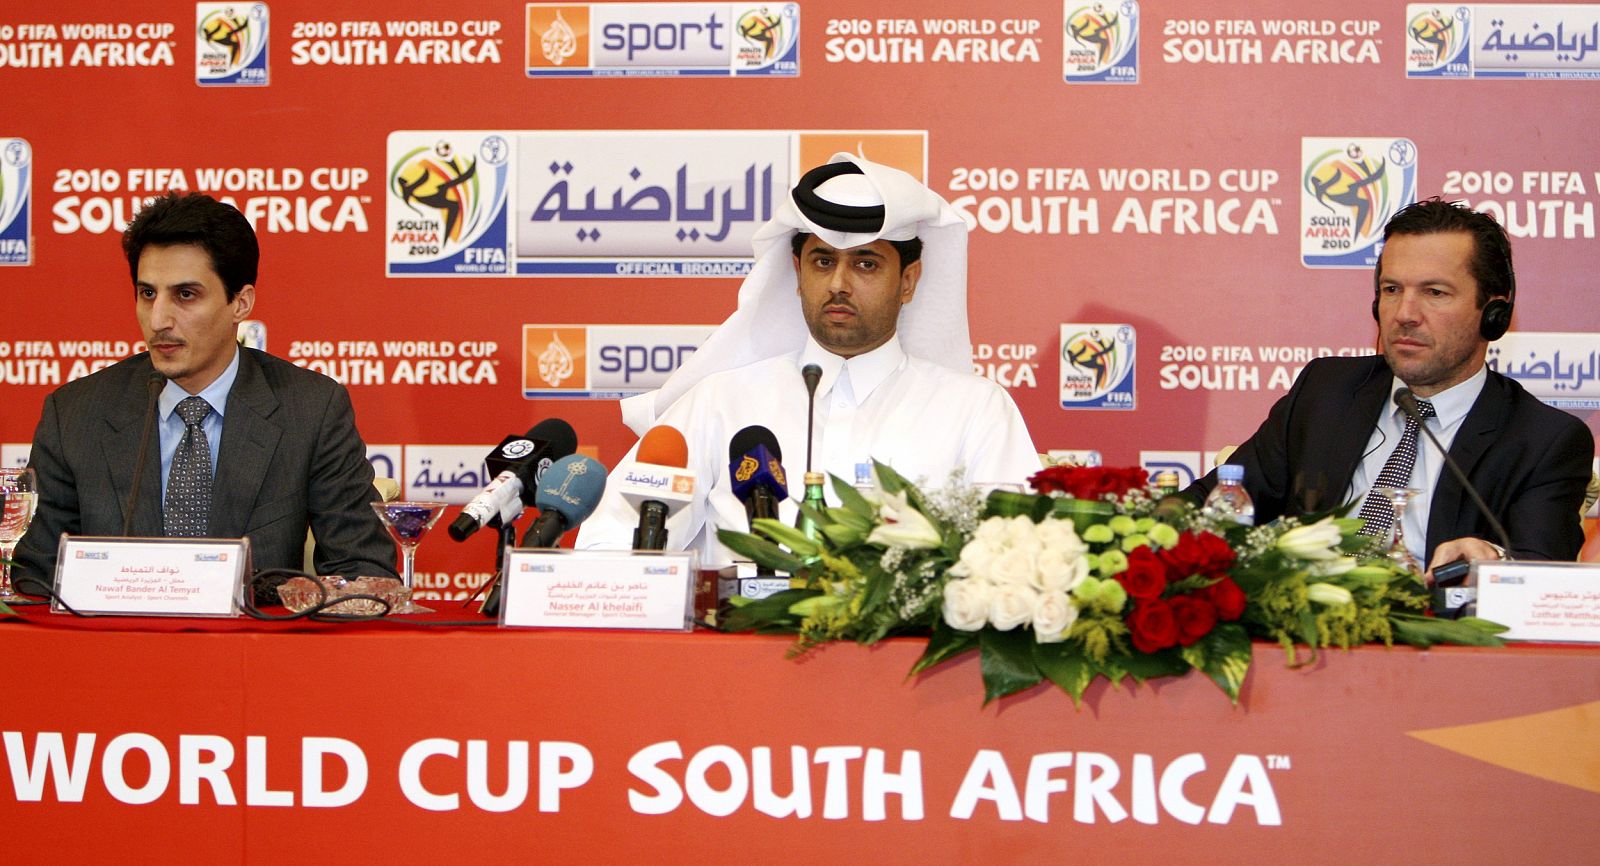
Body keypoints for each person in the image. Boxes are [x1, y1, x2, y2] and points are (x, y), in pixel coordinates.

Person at [577, 154, 1040, 565]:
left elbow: (1017, 563)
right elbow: (609, 548)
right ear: (797, 272)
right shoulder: (720, 401)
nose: (839, 282)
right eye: (822, 261)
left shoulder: (975, 411)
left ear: (908, 280)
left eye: (865, 263)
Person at [12, 192, 397, 597]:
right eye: (147, 294)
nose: (158, 319)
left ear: (240, 303)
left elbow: (362, 571)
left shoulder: (310, 410)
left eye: (185, 295)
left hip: (253, 653)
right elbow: (36, 578)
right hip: (118, 652)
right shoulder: (75, 414)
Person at [1186, 198, 1594, 574]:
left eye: (1434, 292)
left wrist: (1495, 564)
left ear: (1494, 314)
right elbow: (1210, 502)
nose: (1404, 314)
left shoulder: (1542, 440)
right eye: (1392, 290)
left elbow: (1541, 571)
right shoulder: (1325, 392)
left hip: (1439, 643)